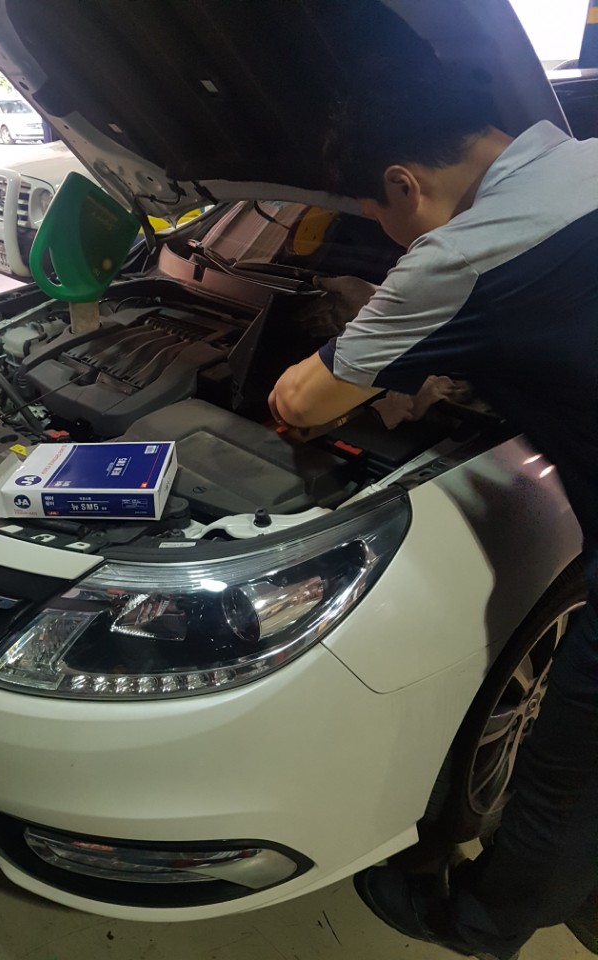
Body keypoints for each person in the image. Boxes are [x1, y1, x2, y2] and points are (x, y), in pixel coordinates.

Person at [268, 60, 598, 960]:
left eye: (378, 217)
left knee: (569, 770)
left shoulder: (458, 257)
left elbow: (301, 402)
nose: (388, 237)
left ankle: (480, 924)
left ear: (402, 184)